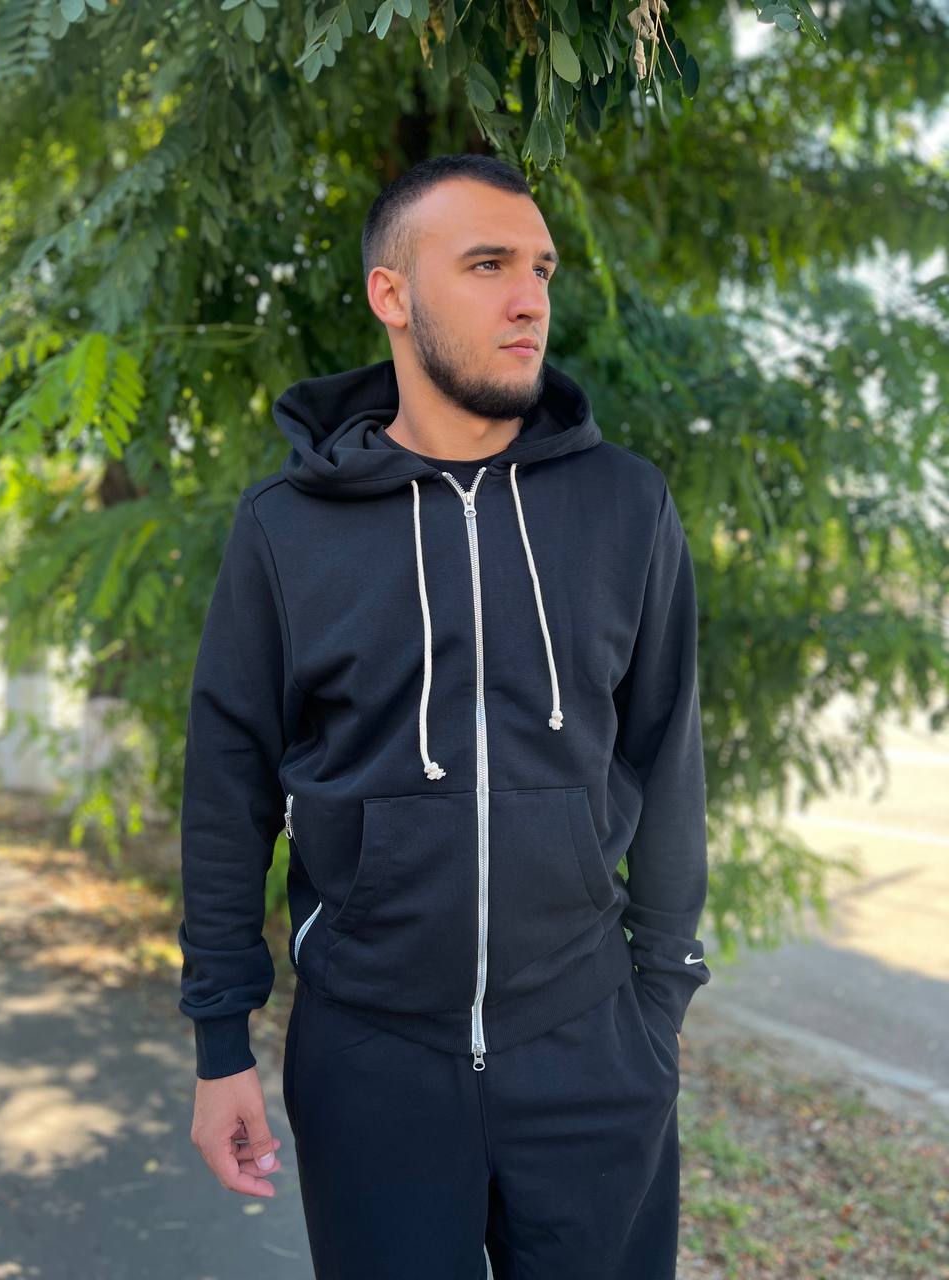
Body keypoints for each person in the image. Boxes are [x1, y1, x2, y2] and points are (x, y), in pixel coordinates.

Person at [177, 151, 711, 1279]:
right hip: (371, 1059)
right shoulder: (286, 529)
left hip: (591, 1049)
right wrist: (221, 1042)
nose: (530, 299)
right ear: (392, 293)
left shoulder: (626, 505)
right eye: (487, 265)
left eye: (541, 269)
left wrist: (658, 1001)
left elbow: (668, 757)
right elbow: (229, 785)